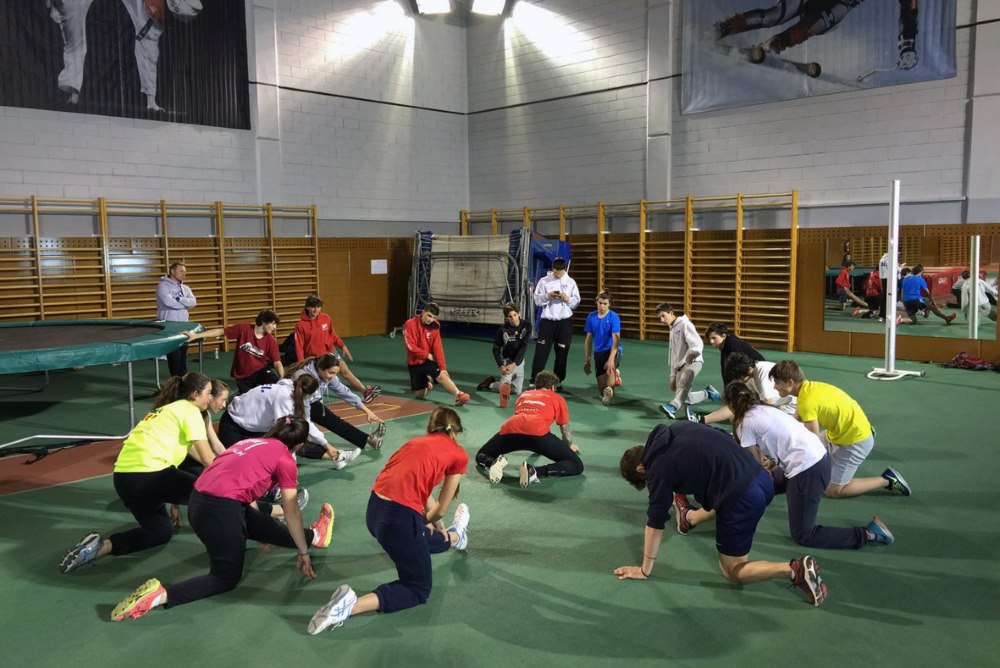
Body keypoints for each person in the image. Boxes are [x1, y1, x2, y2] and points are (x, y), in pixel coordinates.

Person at [109, 416, 335, 622]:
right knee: (225, 577)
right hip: (219, 512)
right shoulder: (285, 459)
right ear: (298, 445)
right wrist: (303, 554)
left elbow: (241, 489)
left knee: (260, 525)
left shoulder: (246, 444)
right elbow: (291, 510)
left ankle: (315, 536)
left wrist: (261, 529)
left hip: (200, 502)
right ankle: (162, 595)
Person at [614, 422, 828, 607]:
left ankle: (794, 570)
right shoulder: (676, 428)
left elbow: (655, 523)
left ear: (641, 470)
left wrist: (644, 569)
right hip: (761, 477)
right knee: (718, 494)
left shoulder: (657, 469)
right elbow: (721, 436)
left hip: (744, 498)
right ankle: (689, 519)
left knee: (732, 570)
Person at [307, 407, 471, 634]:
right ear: (457, 431)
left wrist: (437, 525)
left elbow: (421, 489)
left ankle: (456, 537)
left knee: (417, 538)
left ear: (430, 428)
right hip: (398, 521)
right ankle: (349, 607)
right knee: (418, 588)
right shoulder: (459, 454)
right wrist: (425, 520)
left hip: (374, 513)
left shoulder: (414, 443)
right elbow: (440, 510)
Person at [59, 372, 217, 573]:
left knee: (159, 532)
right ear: (195, 394)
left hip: (124, 479)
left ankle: (98, 548)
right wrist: (235, 484)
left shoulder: (163, 410)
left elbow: (182, 455)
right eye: (209, 393)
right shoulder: (190, 411)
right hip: (151, 475)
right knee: (211, 496)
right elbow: (207, 459)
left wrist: (174, 502)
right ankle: (247, 527)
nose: (211, 398)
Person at [716, 380, 895, 551]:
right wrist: (770, 465)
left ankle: (869, 534)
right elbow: (774, 443)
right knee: (765, 484)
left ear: (731, 406)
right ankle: (722, 509)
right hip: (817, 459)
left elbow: (754, 464)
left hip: (807, 471)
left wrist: (759, 471)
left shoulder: (744, 424)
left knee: (804, 534)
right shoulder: (765, 408)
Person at [768, 360, 911, 499]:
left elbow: (813, 443)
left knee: (833, 490)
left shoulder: (807, 402)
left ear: (790, 383)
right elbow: (794, 422)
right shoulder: (809, 388)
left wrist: (779, 458)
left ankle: (887, 479)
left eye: (777, 383)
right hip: (844, 431)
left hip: (855, 441)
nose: (774, 387)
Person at [716, 0, 918, 71]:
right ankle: (723, 28)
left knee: (812, 26)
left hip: (839, 4)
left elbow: (909, 8)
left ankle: (774, 45)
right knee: (774, 16)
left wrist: (907, 44)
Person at [218, 375, 361, 471]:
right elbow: (285, 434)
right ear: (306, 394)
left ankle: (337, 456)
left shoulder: (291, 390)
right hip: (234, 424)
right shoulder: (284, 399)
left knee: (296, 440)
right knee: (231, 463)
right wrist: (291, 470)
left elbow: (305, 423)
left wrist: (326, 444)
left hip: (253, 426)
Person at [474, 370, 583, 488]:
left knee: (482, 454)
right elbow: (565, 429)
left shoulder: (524, 395)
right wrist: (567, 447)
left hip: (511, 430)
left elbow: (525, 422)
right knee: (576, 465)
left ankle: (492, 464)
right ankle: (534, 471)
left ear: (536, 385)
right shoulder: (557, 398)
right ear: (552, 387)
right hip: (538, 436)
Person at [287, 353, 387, 461]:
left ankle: (368, 439)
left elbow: (344, 392)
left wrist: (367, 411)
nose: (333, 376)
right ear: (320, 369)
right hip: (292, 404)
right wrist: (325, 443)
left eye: (335, 373)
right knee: (301, 437)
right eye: (331, 373)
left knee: (334, 421)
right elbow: (305, 415)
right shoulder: (305, 377)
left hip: (311, 400)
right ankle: (335, 456)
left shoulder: (327, 375)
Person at [293, 294, 381, 404]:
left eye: (318, 307)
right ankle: (314, 403)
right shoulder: (300, 325)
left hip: (330, 352)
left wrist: (342, 346)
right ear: (307, 307)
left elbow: (333, 335)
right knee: (318, 382)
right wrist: (301, 364)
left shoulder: (326, 318)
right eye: (312, 307)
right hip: (315, 358)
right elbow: (299, 346)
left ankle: (365, 392)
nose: (315, 310)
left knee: (345, 372)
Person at [184, 310, 284, 395]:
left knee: (276, 385)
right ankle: (235, 397)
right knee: (248, 400)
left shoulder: (271, 340)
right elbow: (220, 331)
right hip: (243, 375)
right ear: (264, 322)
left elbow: (277, 362)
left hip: (260, 371)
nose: (275, 327)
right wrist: (196, 336)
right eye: (273, 323)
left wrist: (283, 379)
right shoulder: (244, 329)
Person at [655, 303, 720, 422]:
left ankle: (673, 407)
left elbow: (698, 343)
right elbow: (674, 356)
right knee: (683, 394)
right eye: (659, 318)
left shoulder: (684, 324)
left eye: (663, 316)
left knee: (683, 385)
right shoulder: (672, 329)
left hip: (693, 361)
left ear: (670, 312)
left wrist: (694, 353)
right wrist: (672, 376)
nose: (661, 320)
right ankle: (708, 393)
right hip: (681, 366)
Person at [403, 302, 470, 406]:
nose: (431, 320)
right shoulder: (409, 324)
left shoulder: (435, 326)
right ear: (423, 312)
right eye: (429, 315)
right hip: (414, 363)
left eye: (434, 317)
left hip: (427, 361)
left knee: (441, 376)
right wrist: (427, 355)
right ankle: (428, 381)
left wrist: (443, 367)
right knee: (419, 395)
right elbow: (410, 346)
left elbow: (438, 347)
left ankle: (459, 395)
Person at [700, 353, 795, 425]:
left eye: (740, 377)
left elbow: (767, 404)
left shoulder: (762, 371)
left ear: (749, 369)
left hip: (790, 408)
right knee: (735, 415)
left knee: (742, 418)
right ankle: (702, 420)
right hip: (776, 406)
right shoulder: (751, 373)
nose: (739, 380)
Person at [530, 257, 581, 387]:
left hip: (564, 323)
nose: (557, 274)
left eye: (560, 272)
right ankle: (535, 380)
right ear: (552, 269)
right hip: (548, 322)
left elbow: (575, 303)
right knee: (541, 351)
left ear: (564, 269)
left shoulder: (571, 282)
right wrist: (548, 296)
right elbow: (537, 300)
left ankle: (557, 382)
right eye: (555, 271)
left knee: (562, 353)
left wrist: (567, 298)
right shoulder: (544, 281)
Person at [476, 303, 532, 408]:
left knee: (516, 390)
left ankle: (490, 384)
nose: (513, 319)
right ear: (506, 318)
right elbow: (496, 348)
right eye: (510, 317)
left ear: (519, 314)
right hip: (507, 361)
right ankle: (503, 396)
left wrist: (514, 365)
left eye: (515, 315)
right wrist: (501, 365)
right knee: (505, 385)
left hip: (519, 361)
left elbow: (523, 347)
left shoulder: (527, 326)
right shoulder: (503, 330)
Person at [156, 261, 197, 377]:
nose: (185, 273)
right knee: (174, 354)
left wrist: (179, 299)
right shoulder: (163, 286)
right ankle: (176, 381)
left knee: (183, 351)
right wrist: (185, 304)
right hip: (169, 325)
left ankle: (184, 378)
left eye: (185, 271)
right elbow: (168, 302)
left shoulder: (185, 287)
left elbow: (193, 302)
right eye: (181, 271)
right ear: (173, 271)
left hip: (183, 324)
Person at [582, 291, 623, 406]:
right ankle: (616, 376)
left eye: (605, 303)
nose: (602, 306)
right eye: (600, 303)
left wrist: (610, 360)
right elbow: (588, 340)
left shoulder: (614, 317)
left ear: (609, 304)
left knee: (610, 371)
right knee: (602, 389)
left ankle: (613, 376)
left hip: (613, 349)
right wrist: (587, 360)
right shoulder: (591, 317)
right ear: (596, 302)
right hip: (599, 351)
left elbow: (616, 340)